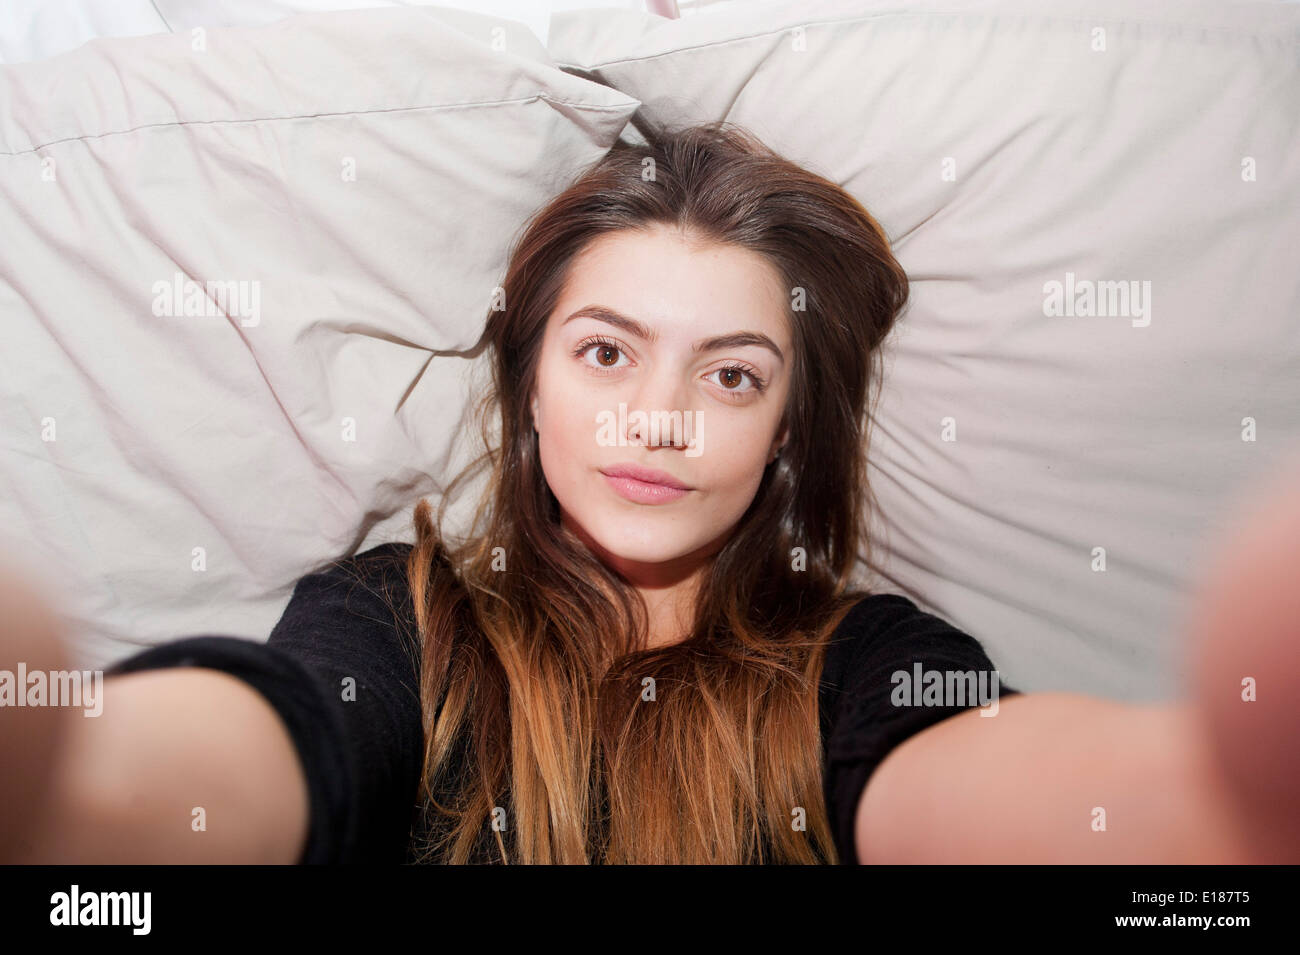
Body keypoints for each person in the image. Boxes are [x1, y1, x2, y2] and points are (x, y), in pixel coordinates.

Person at [2, 122, 1296, 865]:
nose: (660, 419)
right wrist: (75, 792)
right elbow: (274, 750)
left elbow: (984, 783)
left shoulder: (861, 667)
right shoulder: (400, 624)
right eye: (607, 352)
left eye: (733, 377)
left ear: (792, 432)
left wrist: (1203, 805)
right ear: (529, 387)